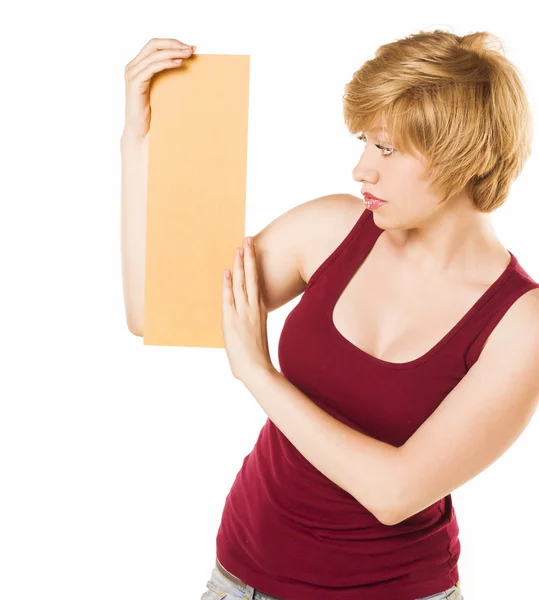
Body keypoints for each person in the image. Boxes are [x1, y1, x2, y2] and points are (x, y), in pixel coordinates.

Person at [121, 30, 539, 600]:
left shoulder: (520, 323)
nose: (361, 170)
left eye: (386, 149)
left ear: (465, 155)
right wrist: (140, 144)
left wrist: (258, 375)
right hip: (241, 577)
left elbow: (395, 493)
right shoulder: (332, 230)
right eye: (364, 142)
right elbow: (155, 311)